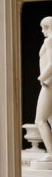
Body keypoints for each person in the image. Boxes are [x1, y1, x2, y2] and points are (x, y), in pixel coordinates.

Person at [35, 17, 52, 160]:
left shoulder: (49, 40)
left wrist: (42, 78)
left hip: (48, 83)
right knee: (50, 119)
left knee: (40, 120)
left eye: (43, 27)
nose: (42, 31)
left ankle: (51, 153)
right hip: (49, 82)